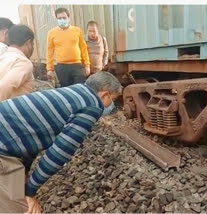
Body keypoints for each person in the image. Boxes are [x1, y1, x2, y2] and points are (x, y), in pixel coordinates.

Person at [0, 71, 122, 213]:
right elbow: (60, 152)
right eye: (112, 99)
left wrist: (25, 171)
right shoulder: (92, 106)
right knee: (22, 209)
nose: (111, 105)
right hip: (3, 147)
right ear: (105, 94)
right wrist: (30, 192)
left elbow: (30, 137)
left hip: (5, 138)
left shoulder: (74, 92)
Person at [46, 7, 91, 87]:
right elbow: (49, 52)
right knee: (66, 90)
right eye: (59, 18)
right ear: (56, 19)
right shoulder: (51, 33)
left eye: (64, 17)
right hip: (62, 67)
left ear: (68, 18)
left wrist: (87, 65)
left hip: (77, 66)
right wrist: (49, 69)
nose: (62, 20)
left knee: (80, 89)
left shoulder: (77, 30)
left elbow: (83, 48)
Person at [0, 24, 35, 101]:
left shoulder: (3, 57)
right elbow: (4, 86)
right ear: (28, 43)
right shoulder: (23, 62)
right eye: (33, 44)